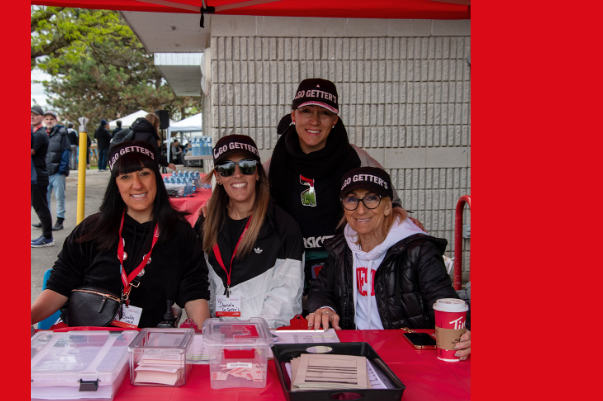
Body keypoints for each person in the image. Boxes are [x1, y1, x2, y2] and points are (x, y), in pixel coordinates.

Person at [30, 140, 211, 328]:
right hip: (87, 342)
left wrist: (207, 339)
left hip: (146, 345)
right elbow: (59, 285)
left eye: (144, 174)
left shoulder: (180, 234)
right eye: (125, 177)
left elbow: (194, 293)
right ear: (116, 184)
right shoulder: (91, 229)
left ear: (157, 177)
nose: (137, 185)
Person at [264, 78, 406, 305]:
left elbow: (392, 205)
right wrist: (213, 205)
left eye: (324, 113)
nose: (315, 120)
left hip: (344, 264)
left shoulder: (357, 159)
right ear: (294, 116)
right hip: (290, 264)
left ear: (334, 120)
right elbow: (243, 196)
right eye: (306, 111)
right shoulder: (276, 163)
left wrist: (408, 223)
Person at [306, 167, 471, 360]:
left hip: (408, 355)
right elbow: (320, 290)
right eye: (351, 199)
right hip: (354, 351)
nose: (360, 209)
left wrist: (465, 333)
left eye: (371, 198)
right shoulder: (342, 248)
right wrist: (326, 308)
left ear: (387, 206)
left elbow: (443, 303)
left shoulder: (418, 249)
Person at [193, 135, 304, 328]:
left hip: (263, 340)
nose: (237, 174)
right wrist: (210, 330)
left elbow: (285, 301)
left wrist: (249, 337)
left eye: (247, 166)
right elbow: (197, 284)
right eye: (227, 168)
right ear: (218, 177)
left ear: (258, 173)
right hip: (215, 336)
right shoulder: (206, 224)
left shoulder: (284, 227)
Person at [41, 110, 70, 231]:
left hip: (57, 172)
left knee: (59, 197)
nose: (49, 121)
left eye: (51, 119)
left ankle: (60, 220)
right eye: (47, 119)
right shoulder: (41, 133)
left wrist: (62, 169)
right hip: (44, 171)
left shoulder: (62, 133)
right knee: (44, 199)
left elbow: (66, 151)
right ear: (44, 120)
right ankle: (45, 220)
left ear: (55, 120)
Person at [30, 106, 54, 247]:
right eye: (30, 115)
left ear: (41, 117)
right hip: (35, 174)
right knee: (39, 206)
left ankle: (47, 237)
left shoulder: (39, 134)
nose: (32, 117)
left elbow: (31, 151)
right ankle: (46, 236)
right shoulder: (34, 132)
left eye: (35, 115)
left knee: (41, 207)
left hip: (38, 175)